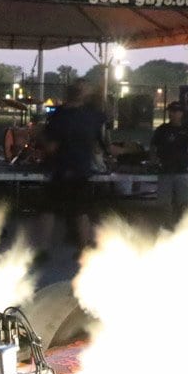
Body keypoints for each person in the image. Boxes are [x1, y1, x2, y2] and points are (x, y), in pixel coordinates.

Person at [40, 80, 108, 251]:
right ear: (84, 96)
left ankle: (42, 249)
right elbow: (98, 142)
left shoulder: (60, 116)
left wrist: (39, 136)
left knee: (48, 209)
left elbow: (51, 147)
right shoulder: (92, 115)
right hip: (81, 168)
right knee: (81, 210)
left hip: (61, 168)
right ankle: (84, 248)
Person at [150, 101, 188, 227]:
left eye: (175, 111)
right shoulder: (162, 129)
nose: (172, 114)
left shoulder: (187, 129)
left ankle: (184, 227)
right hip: (165, 170)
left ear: (181, 113)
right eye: (170, 111)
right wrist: (154, 160)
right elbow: (153, 146)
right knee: (164, 204)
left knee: (184, 204)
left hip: (181, 171)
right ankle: (167, 227)